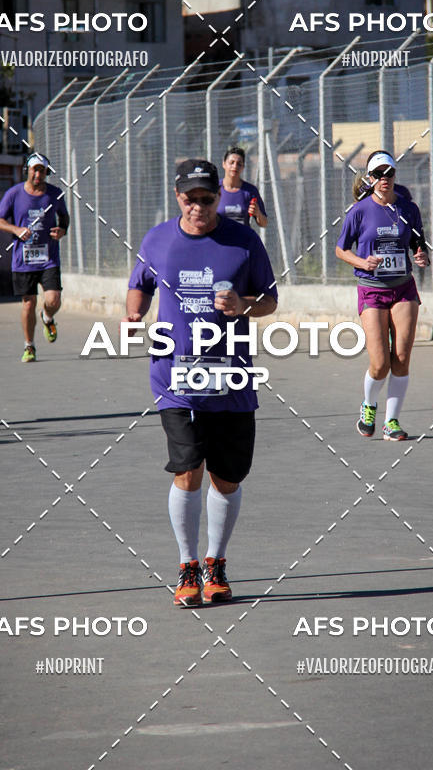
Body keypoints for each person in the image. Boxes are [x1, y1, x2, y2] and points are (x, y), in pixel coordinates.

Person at [125, 158, 278, 607]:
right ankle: (187, 564)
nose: (197, 208)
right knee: (188, 470)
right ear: (178, 197)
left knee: (226, 478)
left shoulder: (243, 241)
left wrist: (243, 304)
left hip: (231, 377)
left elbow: (270, 299)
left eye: (206, 200)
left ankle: (216, 562)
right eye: (189, 199)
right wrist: (133, 313)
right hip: (175, 376)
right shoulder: (157, 240)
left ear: (217, 198)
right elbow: (139, 285)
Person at [336, 151, 429, 441]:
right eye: (378, 174)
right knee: (380, 363)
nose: (384, 179)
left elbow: (417, 241)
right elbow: (341, 249)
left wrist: (420, 254)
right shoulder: (359, 210)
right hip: (372, 290)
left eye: (389, 173)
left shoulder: (408, 208)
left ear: (394, 176)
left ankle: (392, 422)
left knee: (401, 357)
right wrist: (363, 262)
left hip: (403, 288)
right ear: (370, 179)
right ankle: (368, 406)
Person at [0, 153, 69, 363]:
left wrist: (62, 230)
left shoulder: (55, 194)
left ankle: (48, 317)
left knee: (53, 300)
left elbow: (64, 217)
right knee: (28, 303)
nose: (38, 174)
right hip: (23, 260)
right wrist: (16, 230)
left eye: (42, 170)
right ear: (27, 170)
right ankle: (29, 346)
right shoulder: (13, 194)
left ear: (46, 173)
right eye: (35, 169)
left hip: (48, 258)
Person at [218, 146, 268, 228]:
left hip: (242, 240)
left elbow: (264, 223)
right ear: (224, 164)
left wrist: (258, 213)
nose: (235, 166)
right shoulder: (214, 189)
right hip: (219, 240)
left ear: (243, 167)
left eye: (239, 164)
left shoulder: (250, 191)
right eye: (231, 162)